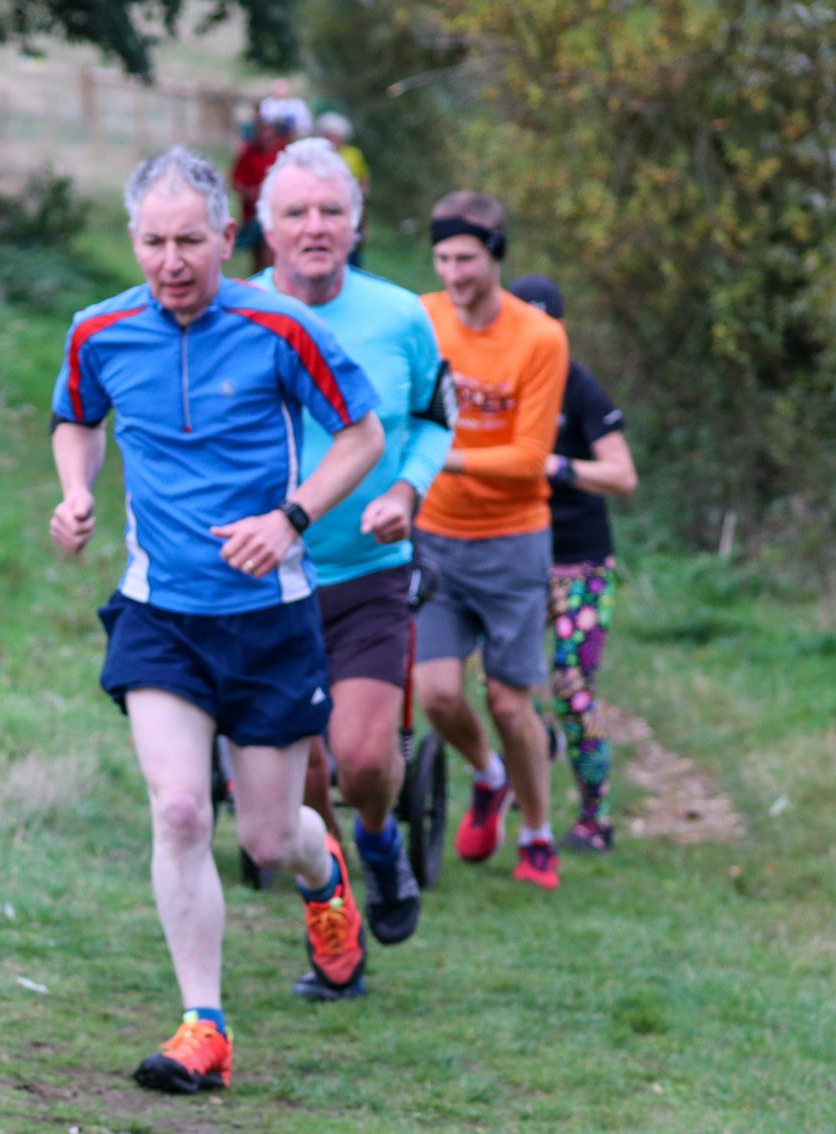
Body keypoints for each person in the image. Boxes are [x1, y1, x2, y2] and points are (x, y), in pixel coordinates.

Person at [48, 145, 384, 1091]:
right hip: (161, 614)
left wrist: (290, 520)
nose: (170, 261)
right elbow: (77, 416)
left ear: (227, 239)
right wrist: (76, 491)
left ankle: (326, 883)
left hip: (268, 617)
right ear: (134, 242)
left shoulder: (280, 327)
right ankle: (204, 1025)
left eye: (189, 241)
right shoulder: (99, 331)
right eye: (152, 242)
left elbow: (361, 434)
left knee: (271, 842)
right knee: (183, 808)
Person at [248, 137, 454, 950]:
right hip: (269, 578)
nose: (314, 226)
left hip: (370, 570)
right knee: (304, 773)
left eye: (331, 211)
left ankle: (378, 844)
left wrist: (405, 490)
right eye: (295, 212)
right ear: (266, 228)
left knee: (364, 760)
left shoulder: (402, 315)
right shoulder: (237, 314)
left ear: (355, 223)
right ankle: (330, 922)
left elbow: (437, 421)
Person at [415, 192, 569, 890]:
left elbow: (528, 456)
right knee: (437, 696)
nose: (454, 274)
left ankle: (536, 834)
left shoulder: (538, 338)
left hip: (511, 540)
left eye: (467, 260)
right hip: (434, 536)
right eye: (443, 258)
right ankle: (489, 775)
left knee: (511, 703)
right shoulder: (421, 319)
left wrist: (432, 458)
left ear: (495, 256)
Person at [508, 274, 638, 853]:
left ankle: (595, 819)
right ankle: (538, 748)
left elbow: (623, 476)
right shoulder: (489, 384)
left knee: (573, 687)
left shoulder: (578, 387)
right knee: (502, 685)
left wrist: (556, 467)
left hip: (579, 560)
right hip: (511, 551)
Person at [229, 118, 289, 272]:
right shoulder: (248, 154)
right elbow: (236, 181)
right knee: (258, 254)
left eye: (269, 132)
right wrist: (249, 192)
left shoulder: (282, 151)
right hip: (253, 213)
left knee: (273, 250)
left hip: (277, 210)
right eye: (262, 132)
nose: (266, 136)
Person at [314, 112, 371, 267]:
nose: (333, 140)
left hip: (351, 209)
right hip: (325, 210)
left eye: (336, 136)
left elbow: (363, 186)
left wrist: (364, 222)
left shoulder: (353, 155)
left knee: (352, 253)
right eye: (329, 135)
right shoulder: (317, 156)